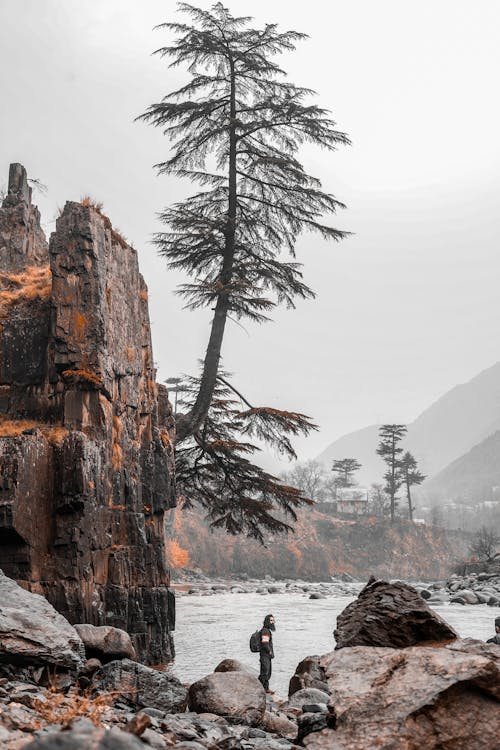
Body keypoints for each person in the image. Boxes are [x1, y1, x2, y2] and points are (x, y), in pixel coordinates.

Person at [258, 614, 275, 692]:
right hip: (265, 655)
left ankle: (265, 688)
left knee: (267, 671)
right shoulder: (265, 631)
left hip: (266, 655)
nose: (273, 622)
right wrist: (269, 651)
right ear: (267, 621)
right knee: (265, 672)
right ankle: (263, 688)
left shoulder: (266, 630)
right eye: (271, 620)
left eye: (273, 620)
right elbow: (265, 642)